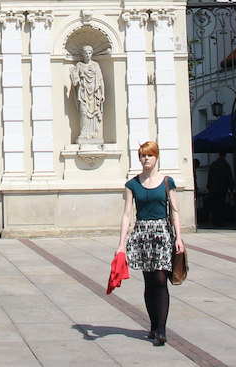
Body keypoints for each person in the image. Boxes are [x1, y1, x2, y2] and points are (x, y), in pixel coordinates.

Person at [116, 141, 184, 347]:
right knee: (149, 282)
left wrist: (178, 237)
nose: (146, 159)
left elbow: (174, 211)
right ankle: (153, 326)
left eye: (150, 156)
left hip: (162, 233)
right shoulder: (132, 184)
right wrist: (121, 244)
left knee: (161, 279)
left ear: (156, 158)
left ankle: (161, 329)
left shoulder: (167, 182)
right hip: (142, 233)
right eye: (143, 156)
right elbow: (127, 215)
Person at [71, 45, 105, 143]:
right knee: (83, 112)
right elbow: (75, 79)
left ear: (92, 53)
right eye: (86, 53)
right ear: (82, 54)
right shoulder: (79, 65)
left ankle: (92, 133)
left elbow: (100, 80)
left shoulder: (96, 65)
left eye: (89, 53)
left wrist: (102, 93)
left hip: (94, 94)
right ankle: (84, 132)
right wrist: (75, 77)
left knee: (94, 113)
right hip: (83, 92)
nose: (88, 55)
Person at [207, 151, 233, 227]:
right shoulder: (226, 165)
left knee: (214, 205)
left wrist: (209, 186)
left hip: (214, 189)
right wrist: (231, 187)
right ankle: (221, 221)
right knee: (221, 205)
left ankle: (215, 221)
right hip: (222, 188)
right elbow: (229, 177)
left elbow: (210, 176)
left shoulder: (214, 164)